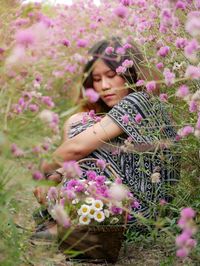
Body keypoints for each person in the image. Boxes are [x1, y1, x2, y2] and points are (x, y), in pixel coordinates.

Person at [34, 37, 180, 235]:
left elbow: (77, 148)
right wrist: (57, 174)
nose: (104, 85)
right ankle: (68, 214)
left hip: (141, 212)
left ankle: (66, 221)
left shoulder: (140, 100)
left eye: (111, 75)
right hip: (133, 207)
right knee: (83, 122)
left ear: (130, 73)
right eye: (96, 79)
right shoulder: (125, 110)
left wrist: (43, 173)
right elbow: (107, 153)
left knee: (79, 123)